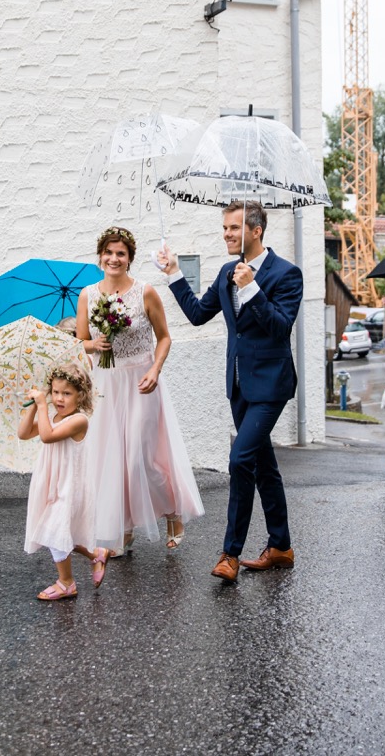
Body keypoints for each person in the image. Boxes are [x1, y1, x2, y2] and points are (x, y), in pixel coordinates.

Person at [157, 201, 303, 583]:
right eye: (224, 228)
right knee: (263, 465)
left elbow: (279, 328)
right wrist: (173, 274)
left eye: (234, 228)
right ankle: (281, 546)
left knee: (240, 459)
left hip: (271, 384)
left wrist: (251, 287)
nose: (226, 234)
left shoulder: (287, 274)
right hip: (238, 384)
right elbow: (197, 313)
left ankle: (230, 554)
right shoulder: (226, 272)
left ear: (256, 230)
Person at [77, 226, 204, 553]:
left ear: (130, 258)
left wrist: (155, 369)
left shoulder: (145, 292)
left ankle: (172, 511)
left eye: (121, 253)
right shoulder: (87, 295)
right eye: (108, 252)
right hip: (105, 383)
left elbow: (164, 337)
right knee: (111, 460)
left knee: (139, 458)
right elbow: (80, 343)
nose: (114, 258)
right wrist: (94, 342)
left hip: (142, 382)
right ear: (100, 256)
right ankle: (125, 525)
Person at [19, 363, 109, 600]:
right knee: (58, 532)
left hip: (70, 484)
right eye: (56, 392)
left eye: (67, 393)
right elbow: (23, 433)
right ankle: (96, 554)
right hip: (52, 482)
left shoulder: (79, 420)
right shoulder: (54, 417)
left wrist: (41, 405)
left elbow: (47, 437)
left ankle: (67, 583)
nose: (59, 398)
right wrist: (31, 408)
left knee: (54, 529)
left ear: (81, 395)